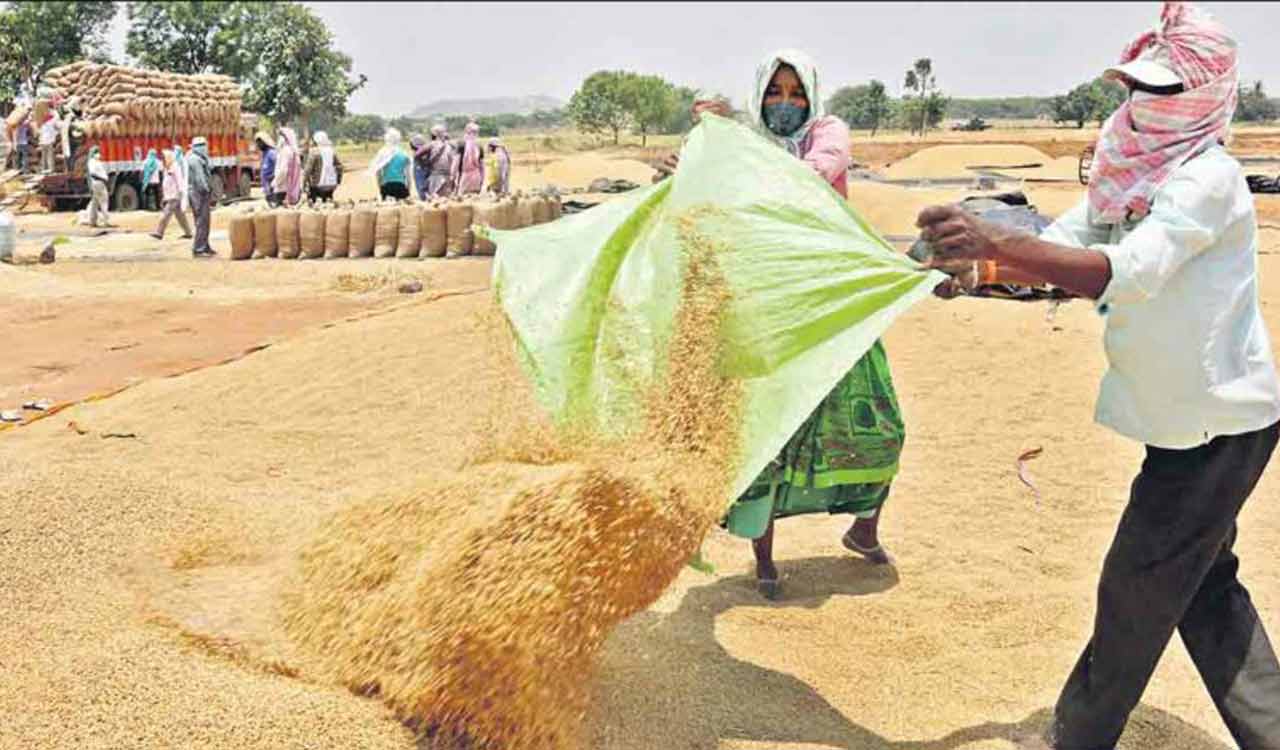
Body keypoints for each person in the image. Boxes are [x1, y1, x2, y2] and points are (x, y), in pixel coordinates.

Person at [916, 5, 1280, 748]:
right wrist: (979, 270)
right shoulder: (1127, 173)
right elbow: (1065, 246)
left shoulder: (1205, 179)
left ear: (1208, 96)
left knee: (1135, 588)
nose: (1146, 108)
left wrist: (998, 240)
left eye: (1166, 92)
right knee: (1204, 588)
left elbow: (1129, 272)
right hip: (1179, 419)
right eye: (1139, 90)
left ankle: (1077, 738)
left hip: (1218, 425)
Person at [659, 50, 899, 599]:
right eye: (774, 93)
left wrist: (727, 157)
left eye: (795, 94)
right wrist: (701, 161)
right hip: (763, 307)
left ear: (811, 97)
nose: (785, 103)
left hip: (832, 304)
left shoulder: (826, 133)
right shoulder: (744, 149)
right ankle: (764, 561)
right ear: (759, 96)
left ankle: (863, 529)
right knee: (766, 435)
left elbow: (817, 171)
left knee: (880, 425)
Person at [148, 149, 192, 241]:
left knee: (166, 214)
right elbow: (166, 184)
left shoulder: (175, 167)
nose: (163, 160)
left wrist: (180, 193)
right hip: (170, 196)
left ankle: (159, 232)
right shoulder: (166, 168)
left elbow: (179, 180)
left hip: (174, 196)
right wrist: (164, 197)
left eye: (164, 158)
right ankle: (188, 233)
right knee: (180, 216)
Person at [186, 136, 216, 258]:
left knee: (205, 221)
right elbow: (200, 178)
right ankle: (198, 248)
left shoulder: (200, 158)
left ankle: (205, 246)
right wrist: (207, 190)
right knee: (201, 221)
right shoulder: (194, 159)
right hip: (198, 193)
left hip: (199, 192)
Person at [370, 127, 411, 200]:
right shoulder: (404, 154)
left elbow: (378, 174)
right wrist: (408, 191)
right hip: (401, 186)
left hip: (386, 186)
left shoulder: (383, 154)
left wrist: (381, 188)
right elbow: (408, 177)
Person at [304, 131, 343, 203]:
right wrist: (338, 181)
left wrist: (303, 184)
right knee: (327, 201)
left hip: (318, 185)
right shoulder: (332, 151)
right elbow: (340, 167)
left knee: (313, 198)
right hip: (332, 185)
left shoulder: (314, 152)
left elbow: (307, 170)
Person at [452, 121, 485, 196]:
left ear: (466, 131)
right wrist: (481, 180)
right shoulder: (479, 146)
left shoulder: (461, 144)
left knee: (461, 200)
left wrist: (452, 177)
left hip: (464, 177)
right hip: (476, 177)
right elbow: (482, 167)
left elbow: (455, 163)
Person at [272, 127, 302, 206]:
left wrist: (275, 182)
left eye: (281, 136)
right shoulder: (294, 151)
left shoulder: (285, 151)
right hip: (293, 189)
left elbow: (283, 170)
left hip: (282, 189)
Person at [425, 124, 454, 197]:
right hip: (447, 177)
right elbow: (452, 161)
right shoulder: (449, 146)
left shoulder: (432, 144)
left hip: (436, 177)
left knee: (435, 201)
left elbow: (418, 155)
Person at [85, 145, 110, 228]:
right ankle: (105, 221)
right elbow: (92, 174)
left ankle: (92, 221)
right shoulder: (92, 162)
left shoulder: (96, 161)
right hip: (98, 183)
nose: (98, 154)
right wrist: (103, 179)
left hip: (98, 184)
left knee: (94, 203)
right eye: (96, 152)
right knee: (104, 202)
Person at [255, 131, 279, 206]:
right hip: (267, 188)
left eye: (260, 143)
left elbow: (278, 166)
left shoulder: (271, 153)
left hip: (272, 186)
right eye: (257, 143)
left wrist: (273, 178)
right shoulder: (265, 153)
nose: (258, 145)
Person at [410, 133, 430, 200]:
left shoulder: (417, 155)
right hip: (426, 170)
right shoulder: (427, 150)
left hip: (420, 170)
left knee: (421, 189)